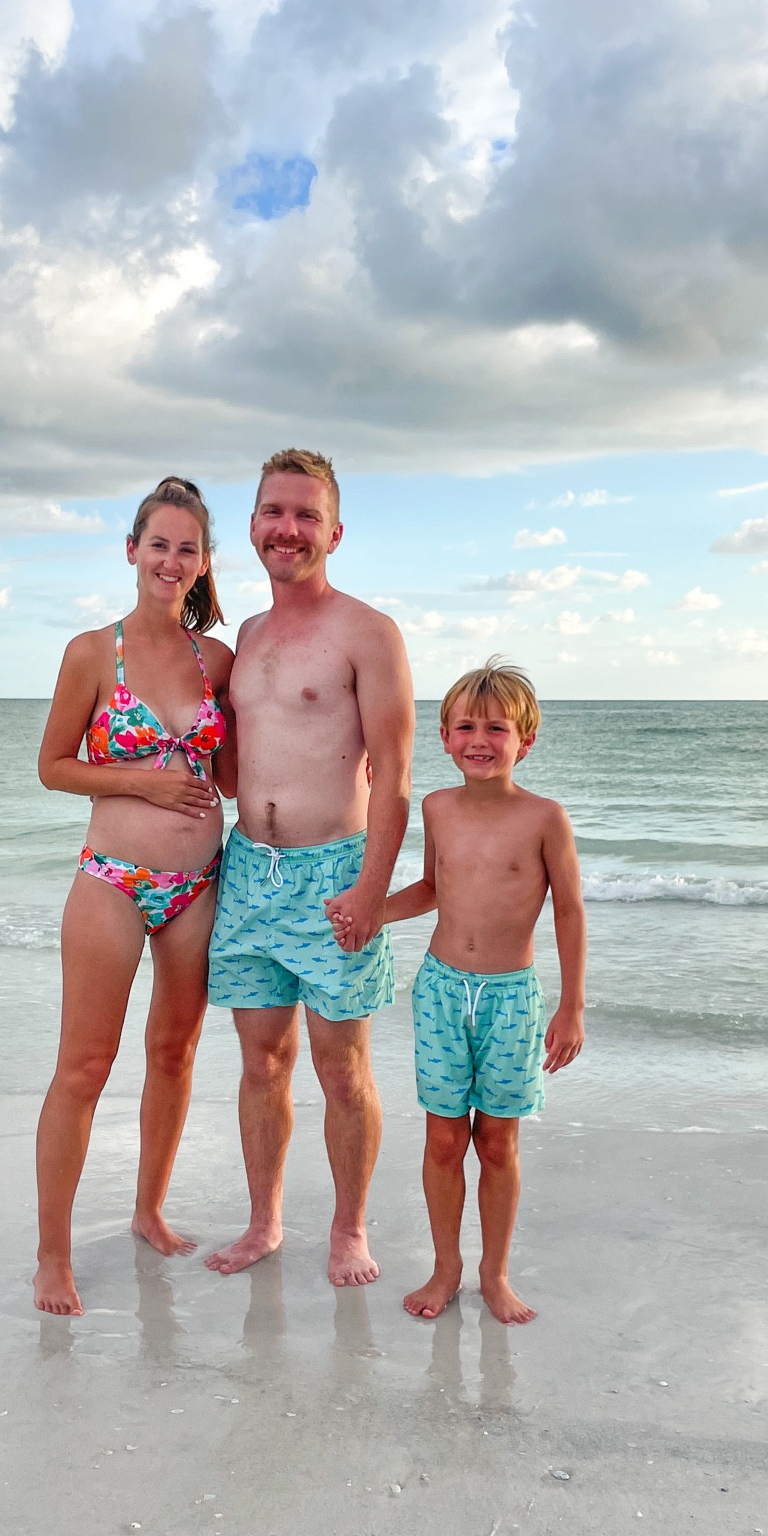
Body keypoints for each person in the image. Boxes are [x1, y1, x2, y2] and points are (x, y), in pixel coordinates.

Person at [203, 448, 414, 1288]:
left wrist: (372, 891)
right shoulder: (246, 638)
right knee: (261, 1063)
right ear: (252, 525)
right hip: (248, 875)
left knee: (341, 1067)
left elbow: (394, 778)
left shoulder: (368, 633)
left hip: (336, 876)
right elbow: (232, 760)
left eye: (304, 514)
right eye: (272, 512)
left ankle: (350, 1229)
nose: (286, 528)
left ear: (334, 530)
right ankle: (264, 1222)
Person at [33, 476, 235, 1316]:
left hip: (199, 884)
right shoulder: (92, 652)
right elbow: (53, 766)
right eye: (159, 544)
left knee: (175, 1052)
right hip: (112, 880)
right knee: (84, 1065)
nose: (171, 559)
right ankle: (52, 1255)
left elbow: (233, 772)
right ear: (132, 550)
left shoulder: (215, 660)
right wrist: (145, 788)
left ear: (202, 563)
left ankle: (148, 1209)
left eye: (187, 548)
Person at [350, 658, 585, 1324]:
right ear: (446, 738)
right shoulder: (437, 807)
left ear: (524, 741)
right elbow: (432, 887)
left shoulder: (544, 818)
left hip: (512, 996)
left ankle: (495, 1273)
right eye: (465, 727)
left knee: (499, 1144)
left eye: (496, 729)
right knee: (446, 1140)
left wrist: (571, 1006)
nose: (479, 739)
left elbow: (569, 910)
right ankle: (446, 1267)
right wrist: (375, 912)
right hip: (442, 989)